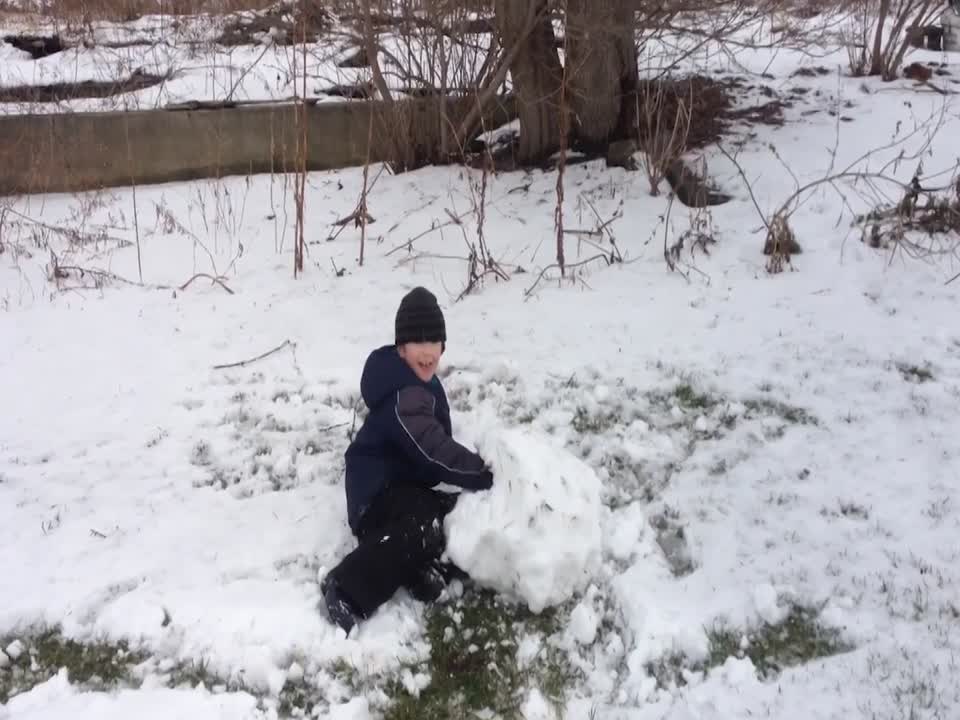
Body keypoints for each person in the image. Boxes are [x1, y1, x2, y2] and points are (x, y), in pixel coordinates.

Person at [321, 286, 493, 634]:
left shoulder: (417, 381)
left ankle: (422, 572)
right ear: (402, 347)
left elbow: (431, 444)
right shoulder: (406, 393)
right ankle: (347, 589)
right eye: (418, 342)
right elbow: (432, 448)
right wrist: (479, 472)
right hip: (376, 494)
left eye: (435, 342)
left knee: (447, 514)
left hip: (403, 487)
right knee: (417, 526)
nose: (428, 352)